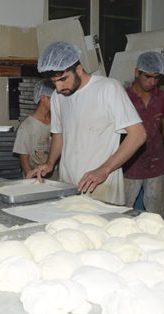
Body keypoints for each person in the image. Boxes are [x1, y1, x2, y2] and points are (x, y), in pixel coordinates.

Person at [28, 41, 147, 205]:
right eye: (54, 82)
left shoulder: (108, 88)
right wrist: (50, 163)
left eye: (63, 79)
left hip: (102, 188)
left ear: (78, 69)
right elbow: (58, 134)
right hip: (69, 187)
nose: (59, 87)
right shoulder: (58, 97)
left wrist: (103, 170)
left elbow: (138, 134)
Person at [122, 51, 164, 217]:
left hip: (157, 165)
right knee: (121, 215)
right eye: (147, 77)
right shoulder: (123, 97)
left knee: (156, 217)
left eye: (156, 78)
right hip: (128, 166)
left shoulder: (163, 98)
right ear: (136, 72)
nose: (152, 82)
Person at [13, 79, 57, 178]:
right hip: (35, 179)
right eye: (54, 99)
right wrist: (31, 178)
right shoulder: (27, 126)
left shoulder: (56, 122)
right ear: (43, 98)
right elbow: (24, 158)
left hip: (54, 180)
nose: (57, 102)